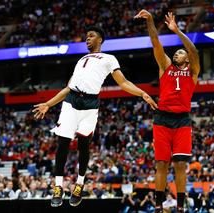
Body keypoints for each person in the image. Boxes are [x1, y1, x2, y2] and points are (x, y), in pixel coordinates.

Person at [33, 25, 157, 208]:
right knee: (63, 143)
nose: (87, 39)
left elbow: (122, 82)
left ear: (100, 40)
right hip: (71, 101)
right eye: (86, 36)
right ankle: (58, 187)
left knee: (84, 145)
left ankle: (79, 185)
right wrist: (48, 104)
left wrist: (142, 93)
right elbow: (67, 88)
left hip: (90, 105)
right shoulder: (81, 59)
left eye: (90, 36)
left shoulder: (109, 58)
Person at [134, 10, 200, 213]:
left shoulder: (193, 70)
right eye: (176, 52)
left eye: (180, 52)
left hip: (182, 121)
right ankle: (158, 206)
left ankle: (180, 207)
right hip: (162, 119)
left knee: (180, 166)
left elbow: (194, 51)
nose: (175, 54)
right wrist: (150, 21)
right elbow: (155, 42)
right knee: (161, 165)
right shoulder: (165, 66)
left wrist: (177, 30)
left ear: (187, 59)